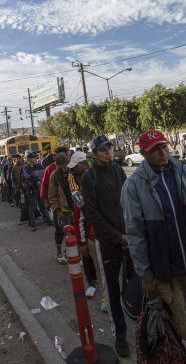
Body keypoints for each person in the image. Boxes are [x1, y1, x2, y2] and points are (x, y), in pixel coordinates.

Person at [122, 130, 186, 364]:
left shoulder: (182, 170)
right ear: (143, 153)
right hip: (166, 272)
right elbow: (135, 234)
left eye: (164, 147)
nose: (162, 152)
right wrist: (146, 275)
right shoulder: (134, 185)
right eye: (155, 149)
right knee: (172, 330)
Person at [82, 135, 133, 358]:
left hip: (128, 239)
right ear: (94, 154)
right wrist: (117, 237)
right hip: (108, 243)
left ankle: (142, 327)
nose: (108, 152)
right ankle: (119, 335)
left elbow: (128, 201)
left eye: (110, 148)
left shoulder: (117, 171)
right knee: (112, 291)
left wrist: (130, 232)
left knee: (134, 286)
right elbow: (92, 214)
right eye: (103, 150)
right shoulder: (88, 177)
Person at [67, 151, 105, 308]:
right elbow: (79, 217)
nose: (74, 169)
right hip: (92, 234)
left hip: (105, 232)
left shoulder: (94, 177)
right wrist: (82, 242)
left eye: (76, 166)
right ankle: (104, 296)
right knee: (98, 267)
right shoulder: (75, 180)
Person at [47, 153, 72, 264]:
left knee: (72, 232)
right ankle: (59, 252)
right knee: (59, 231)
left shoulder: (72, 172)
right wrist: (58, 210)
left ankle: (69, 252)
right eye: (61, 166)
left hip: (72, 208)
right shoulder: (54, 175)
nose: (64, 168)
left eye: (65, 165)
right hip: (61, 210)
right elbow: (51, 195)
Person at [22, 152, 45, 231]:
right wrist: (36, 176)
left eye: (35, 157)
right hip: (31, 189)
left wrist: (35, 175)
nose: (35, 159)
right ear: (29, 159)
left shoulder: (38, 165)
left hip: (39, 188)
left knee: (43, 205)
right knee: (32, 207)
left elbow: (43, 172)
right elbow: (27, 176)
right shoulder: (25, 167)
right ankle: (32, 224)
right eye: (33, 157)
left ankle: (48, 220)